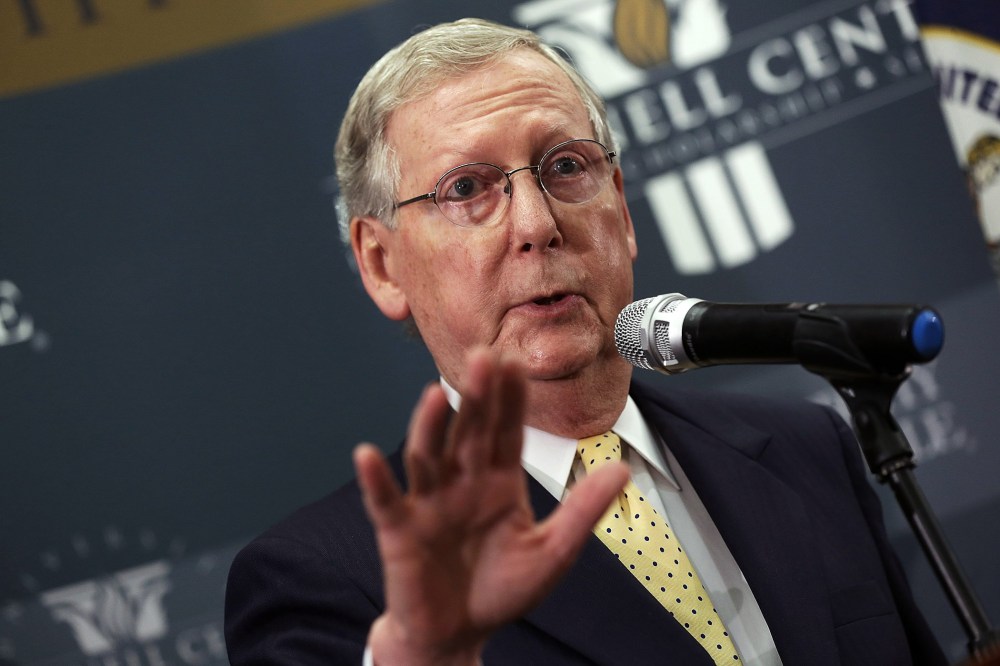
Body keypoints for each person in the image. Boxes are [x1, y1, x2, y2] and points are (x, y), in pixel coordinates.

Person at [224, 17, 947, 666]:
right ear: (382, 265)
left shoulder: (804, 449)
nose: (536, 223)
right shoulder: (329, 577)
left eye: (565, 167)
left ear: (622, 210)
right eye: (468, 188)